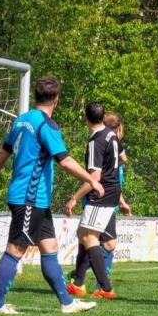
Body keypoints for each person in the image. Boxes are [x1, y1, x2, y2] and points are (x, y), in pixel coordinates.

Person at [0, 76, 102, 314]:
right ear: (56, 99)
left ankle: (67, 303)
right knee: (15, 249)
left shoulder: (21, 121)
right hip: (29, 199)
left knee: (50, 247)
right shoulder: (47, 125)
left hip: (35, 199)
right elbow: (64, 161)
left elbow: (3, 152)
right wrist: (91, 180)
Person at [64, 102, 125, 300]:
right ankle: (78, 283)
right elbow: (123, 158)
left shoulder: (96, 141)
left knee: (90, 238)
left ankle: (105, 287)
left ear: (86, 119)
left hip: (101, 194)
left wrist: (74, 197)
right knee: (83, 233)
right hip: (112, 190)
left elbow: (95, 177)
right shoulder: (111, 134)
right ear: (103, 116)